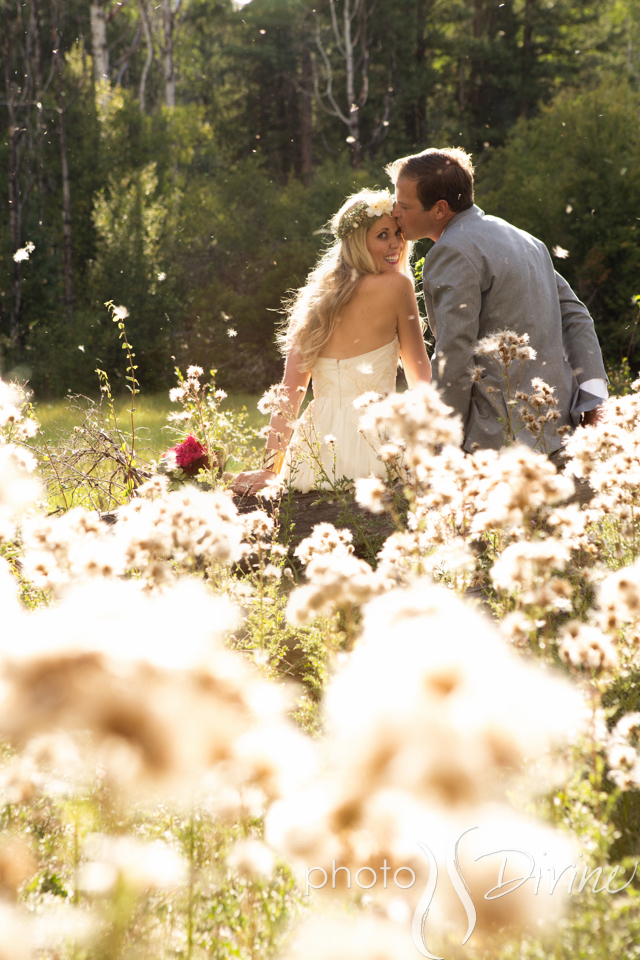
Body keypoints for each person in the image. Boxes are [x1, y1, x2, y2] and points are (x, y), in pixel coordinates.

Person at [386, 147, 608, 455]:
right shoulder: (526, 240)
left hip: (494, 441)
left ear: (439, 209)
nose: (394, 211)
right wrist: (594, 399)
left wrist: (440, 444)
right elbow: (576, 317)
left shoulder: (451, 252)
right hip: (556, 431)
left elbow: (454, 353)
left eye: (403, 204)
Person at [232, 188, 431, 496]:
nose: (396, 244)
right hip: (375, 439)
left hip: (316, 449)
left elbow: (289, 393)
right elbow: (421, 379)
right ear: (357, 242)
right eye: (382, 235)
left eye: (398, 233)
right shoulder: (398, 286)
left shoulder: (314, 300)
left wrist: (269, 469)